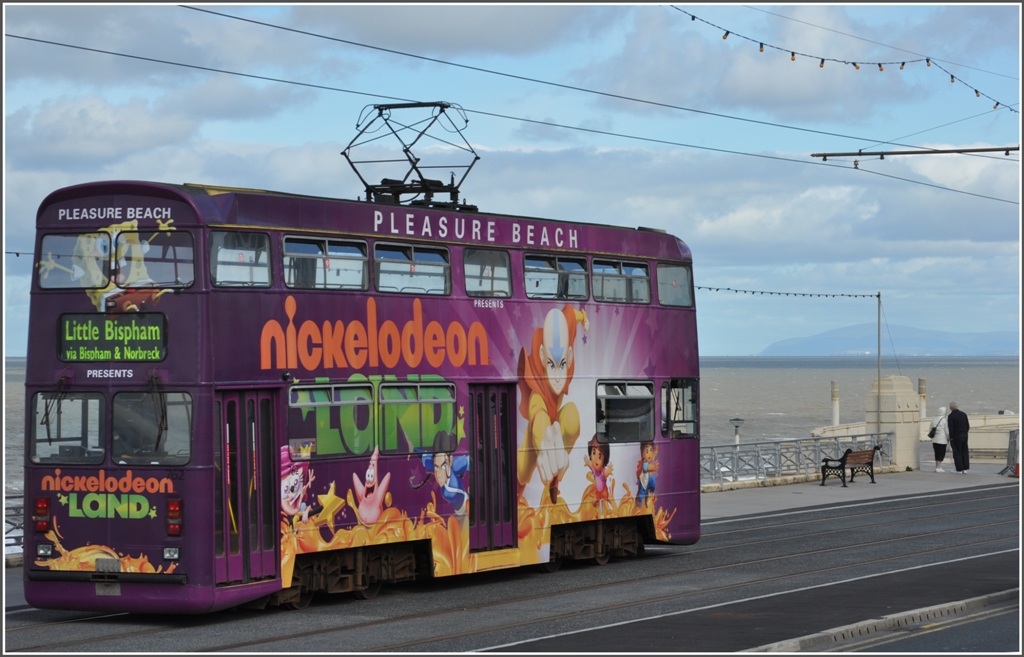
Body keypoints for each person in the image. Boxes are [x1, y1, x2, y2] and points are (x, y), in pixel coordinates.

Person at [947, 401, 970, 474]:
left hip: (956, 436)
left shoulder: (951, 416)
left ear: (950, 408)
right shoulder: (963, 414)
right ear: (957, 407)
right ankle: (965, 468)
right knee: (964, 452)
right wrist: (965, 432)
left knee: (957, 452)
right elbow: (967, 426)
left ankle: (959, 469)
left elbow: (951, 428)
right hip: (964, 435)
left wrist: (951, 437)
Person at [930, 406, 949, 472]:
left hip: (935, 439)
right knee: (941, 453)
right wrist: (949, 438)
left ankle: (937, 467)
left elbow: (930, 428)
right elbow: (946, 431)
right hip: (942, 439)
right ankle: (938, 467)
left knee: (936, 453)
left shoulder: (934, 419)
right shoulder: (944, 420)